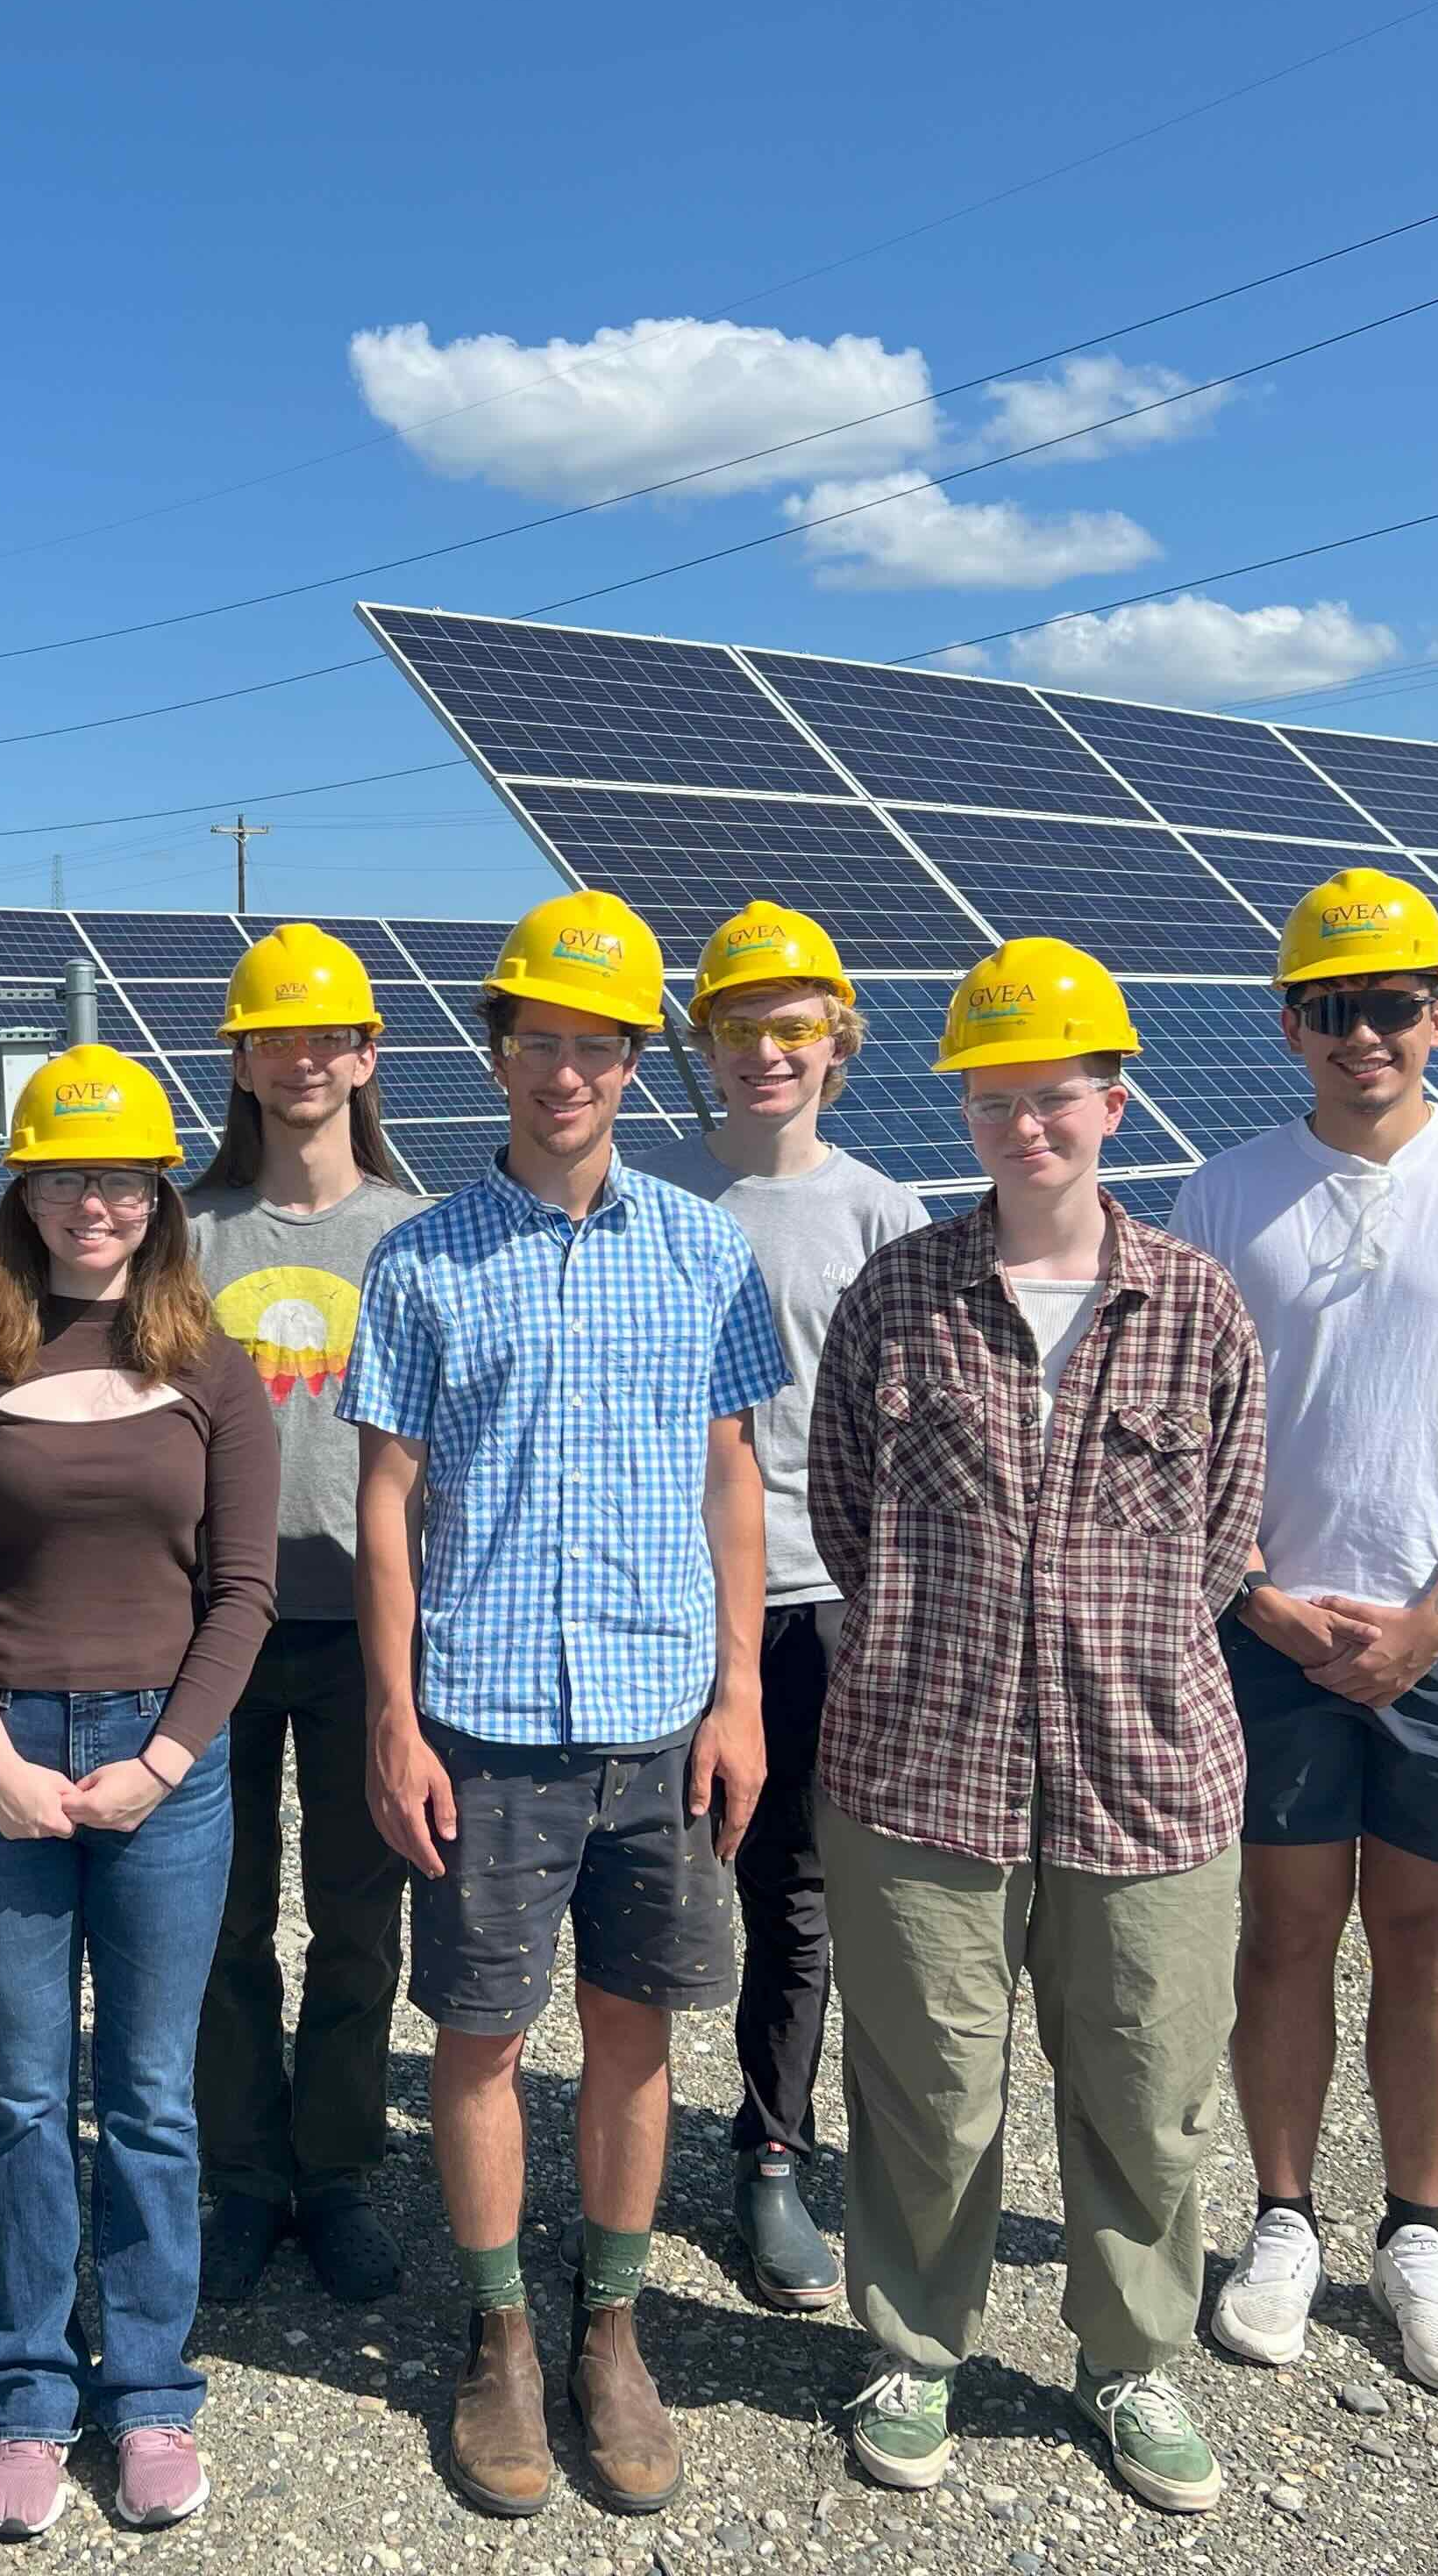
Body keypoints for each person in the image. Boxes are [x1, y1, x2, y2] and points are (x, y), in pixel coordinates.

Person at [804, 938, 1264, 2516]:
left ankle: (1129, 2360)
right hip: (919, 1764)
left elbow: (1225, 1532)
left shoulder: (1195, 1303)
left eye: (1054, 1097)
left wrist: (1108, 1654)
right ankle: (917, 2343)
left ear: (1114, 1102)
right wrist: (956, 1646)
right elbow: (845, 1516)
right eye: (996, 1102)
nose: (1026, 1129)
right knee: (929, 2081)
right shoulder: (900, 1292)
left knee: (1145, 2082)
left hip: (1149, 1766)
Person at [345, 889, 782, 2523]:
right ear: (501, 1051)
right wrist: (393, 1718)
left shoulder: (701, 1249)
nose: (565, 1074)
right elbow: (387, 1500)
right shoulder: (424, 1258)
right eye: (539, 1043)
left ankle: (612, 2324)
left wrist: (740, 1696)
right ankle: (498, 2336)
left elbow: (734, 1482)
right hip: (484, 1713)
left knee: (632, 2030)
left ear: (631, 1063)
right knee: (476, 2035)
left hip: (660, 1714)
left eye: (596, 1047)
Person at [1171, 872, 1438, 2396]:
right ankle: (1283, 2215)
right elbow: (1181, 1432)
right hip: (1273, 1635)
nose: (1363, 1033)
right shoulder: (1223, 1195)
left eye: (1391, 1004)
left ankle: (1417, 2232)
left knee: (1430, 1943)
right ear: (1288, 1021)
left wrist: (1432, 1623)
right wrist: (1259, 1598)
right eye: (1330, 1006)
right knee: (1284, 1934)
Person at [0, 1045, 277, 2541]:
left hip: (164, 1763)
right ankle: (27, 2395)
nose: (93, 1203)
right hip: (2, 1748)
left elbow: (240, 1593)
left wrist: (161, 1761)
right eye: (66, 1176)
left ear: (159, 1195)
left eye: (121, 1177)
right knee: (26, 2095)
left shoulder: (209, 1359)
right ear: (25, 1190)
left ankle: (154, 2390)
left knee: (154, 2097)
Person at [643, 903, 926, 2316]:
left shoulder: (886, 1217)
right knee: (642, 1892)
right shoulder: (651, 1204)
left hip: (829, 1606)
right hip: (661, 1606)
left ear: (837, 1040)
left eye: (794, 1024)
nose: (768, 1049)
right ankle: (615, 2160)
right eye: (741, 1026)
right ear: (708, 1042)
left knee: (796, 1898)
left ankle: (770, 2153)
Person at [183, 923, 429, 2308]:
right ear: (242, 1057)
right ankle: (239, 2174)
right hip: (213, 1627)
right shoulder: (190, 1231)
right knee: (218, 1928)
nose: (302, 1059)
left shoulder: (411, 1233)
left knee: (355, 1921)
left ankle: (333, 2173)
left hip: (362, 1633)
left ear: (366, 1054)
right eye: (274, 1035)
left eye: (327, 1034)